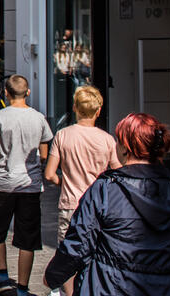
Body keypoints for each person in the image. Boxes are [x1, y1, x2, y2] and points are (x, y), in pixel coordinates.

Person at [44, 113, 170, 296]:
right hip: (168, 288)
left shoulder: (105, 190)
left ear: (125, 148)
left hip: (110, 287)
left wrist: (53, 276)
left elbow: (79, 242)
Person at [0, 75, 53, 296]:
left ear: (6, 94)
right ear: (27, 93)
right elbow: (44, 152)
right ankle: (22, 287)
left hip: (2, 183)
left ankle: (2, 276)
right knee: (27, 237)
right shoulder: (39, 118)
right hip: (29, 185)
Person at [42, 86, 120, 296]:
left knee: (68, 257)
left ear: (75, 107)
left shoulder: (63, 135)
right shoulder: (107, 139)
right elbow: (118, 173)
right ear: (98, 111)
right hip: (100, 208)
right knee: (97, 255)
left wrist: (63, 182)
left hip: (71, 204)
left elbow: (49, 174)